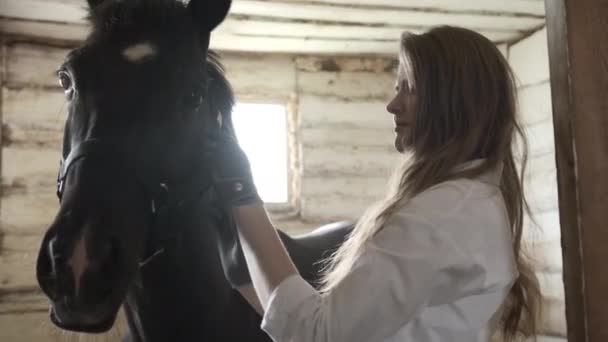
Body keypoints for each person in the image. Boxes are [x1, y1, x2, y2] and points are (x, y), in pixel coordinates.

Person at [209, 26, 541, 342]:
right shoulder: (471, 201)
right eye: (397, 88)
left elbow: (318, 335)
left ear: (452, 100)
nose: (392, 105)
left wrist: (242, 193)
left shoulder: (444, 214)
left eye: (409, 88)